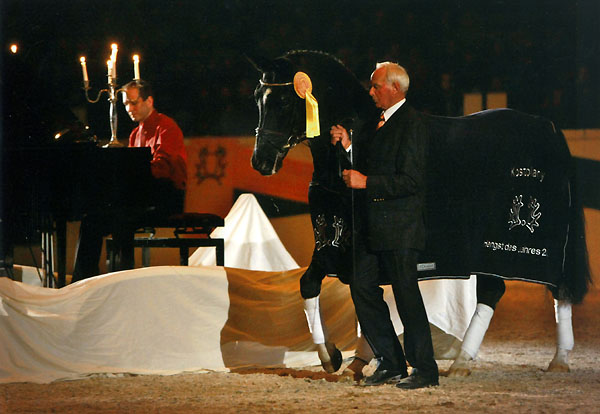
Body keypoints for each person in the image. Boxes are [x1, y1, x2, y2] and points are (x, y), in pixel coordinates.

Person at [330, 62, 438, 389]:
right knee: (361, 287)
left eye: (376, 86)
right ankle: (391, 363)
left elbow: (411, 181)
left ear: (395, 88)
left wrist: (367, 183)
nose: (371, 91)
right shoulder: (378, 123)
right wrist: (349, 147)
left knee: (407, 297)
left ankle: (425, 370)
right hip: (374, 227)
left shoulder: (413, 124)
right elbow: (369, 166)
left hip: (400, 228)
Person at [72, 80, 187, 282]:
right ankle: (82, 282)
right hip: (141, 196)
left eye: (134, 103)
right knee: (92, 219)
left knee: (120, 216)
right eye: (126, 104)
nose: (129, 109)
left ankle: (123, 279)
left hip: (165, 197)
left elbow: (164, 169)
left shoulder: (167, 127)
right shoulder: (135, 133)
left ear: (149, 101)